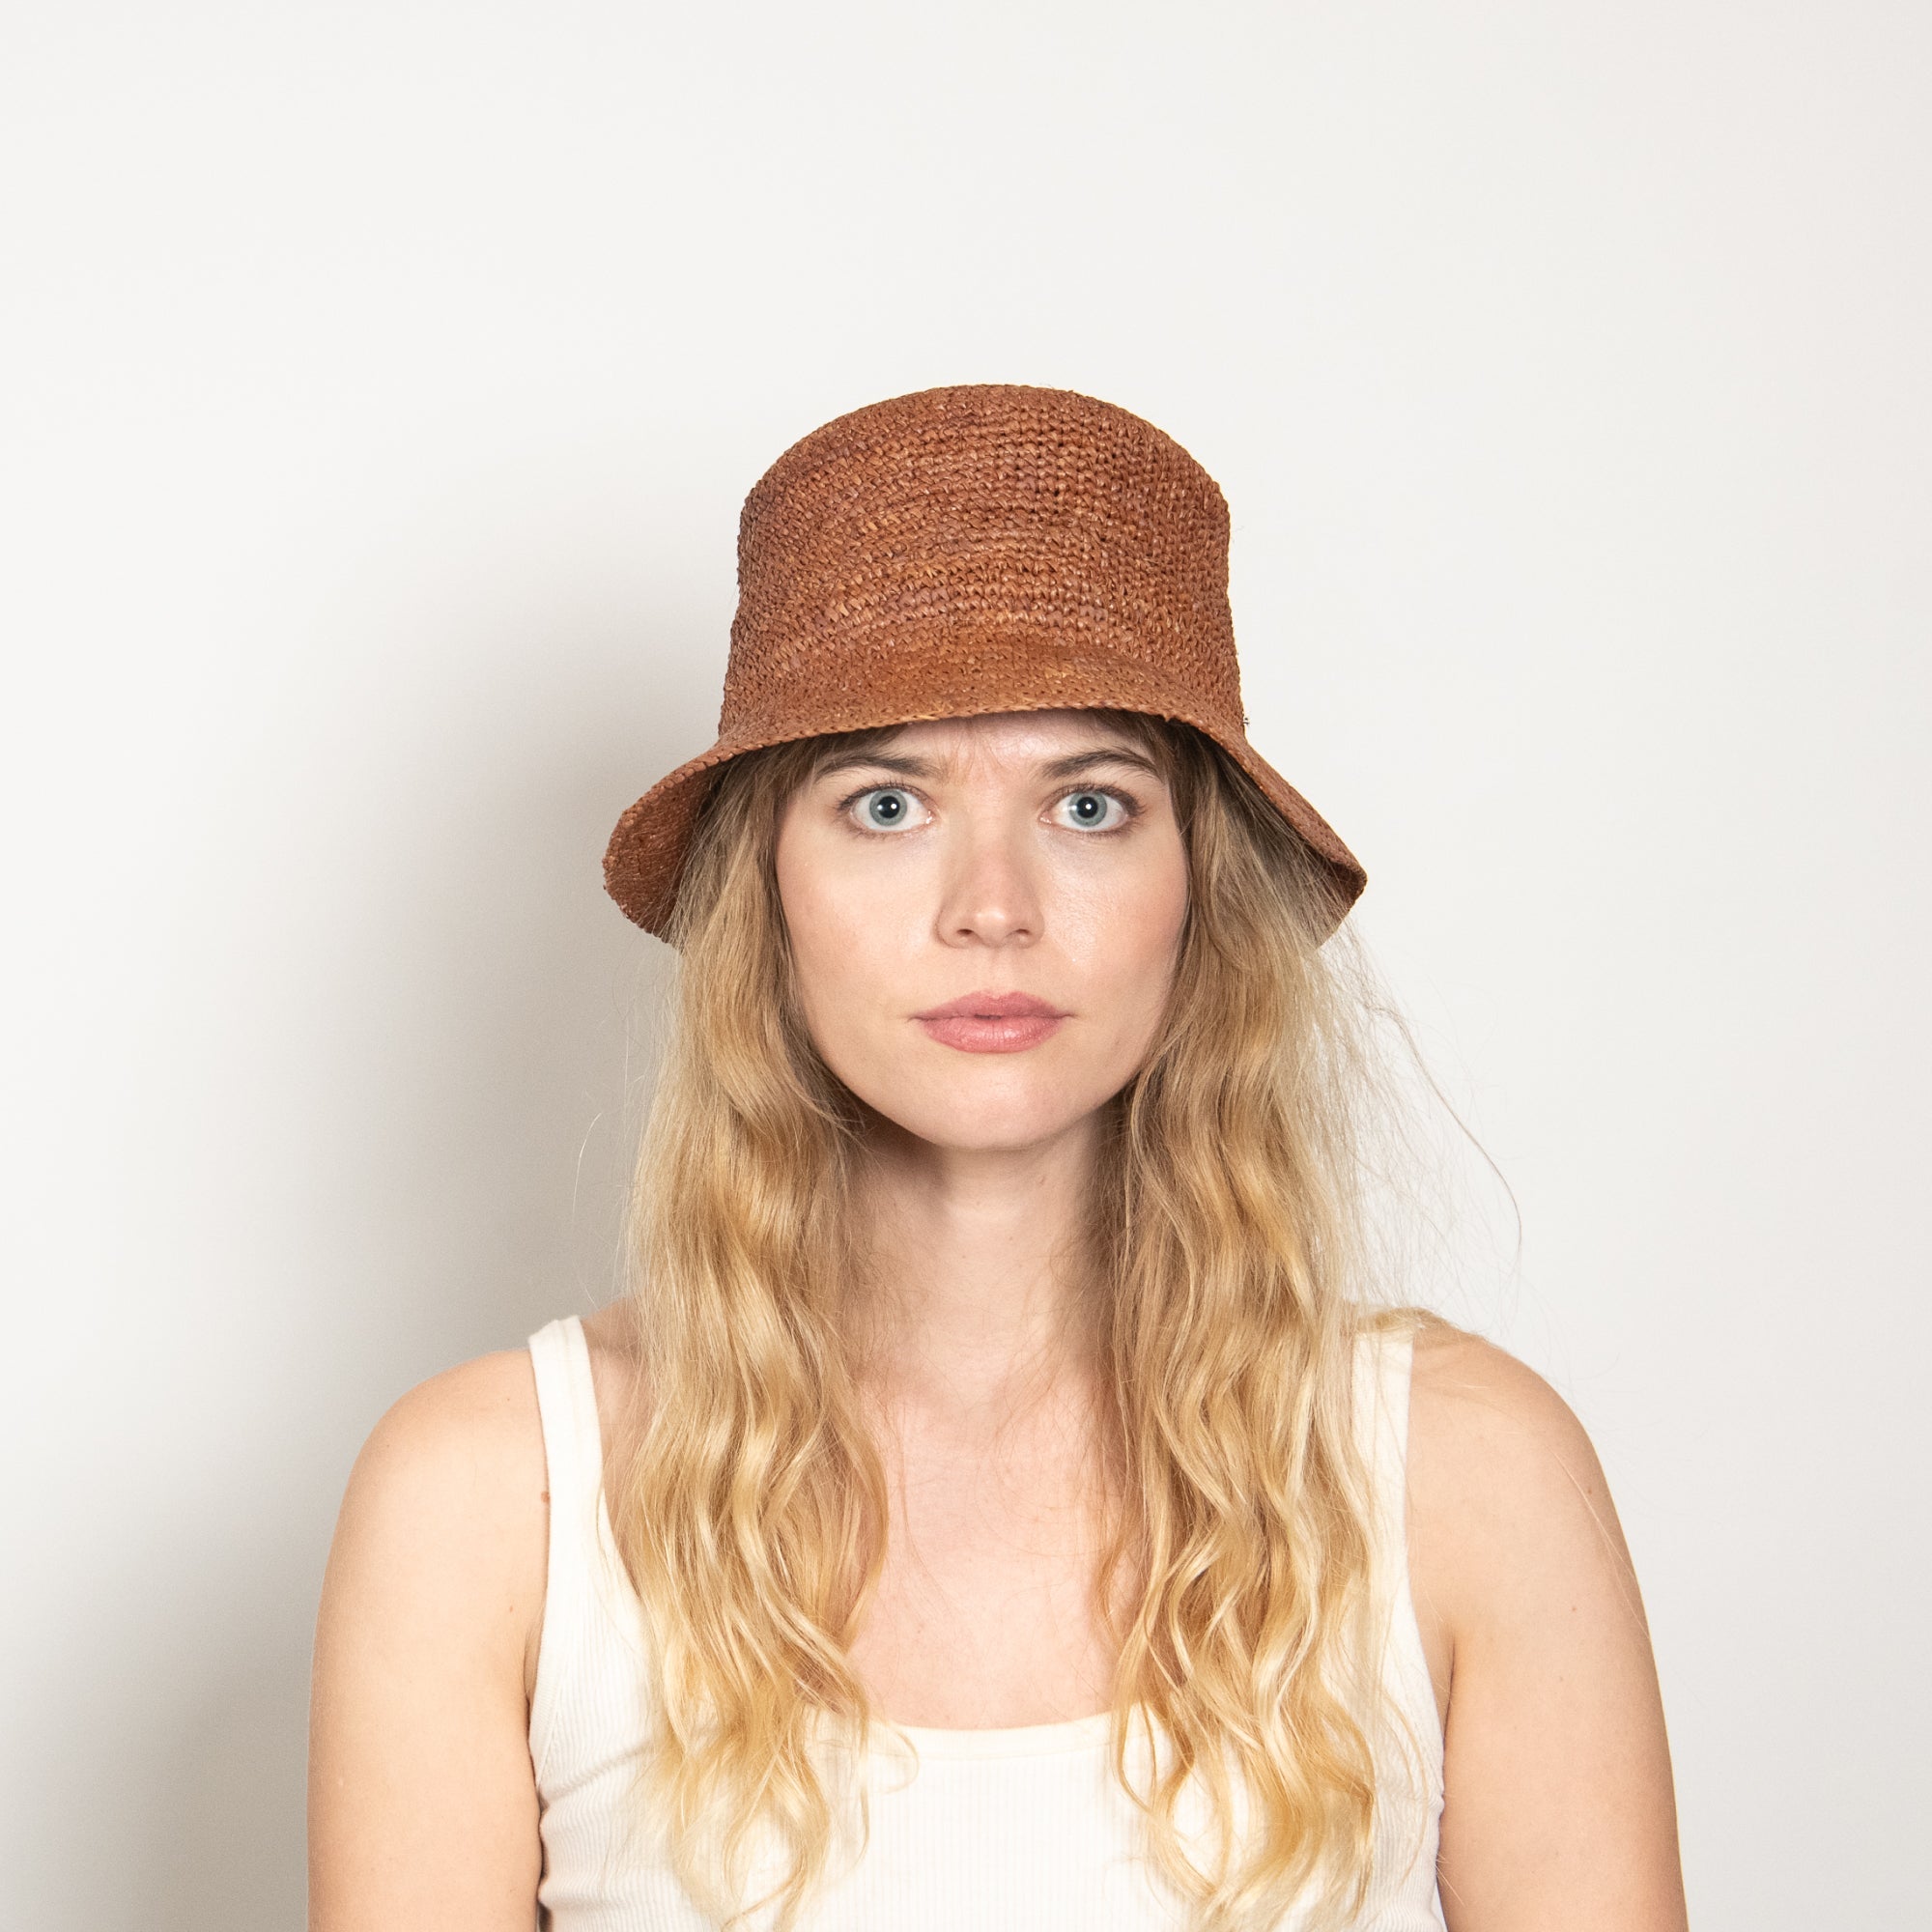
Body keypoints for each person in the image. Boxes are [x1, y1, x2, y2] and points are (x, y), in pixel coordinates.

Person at [307, 385, 1690, 1931]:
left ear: (1198, 891)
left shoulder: (1465, 1476)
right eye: (887, 804)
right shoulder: (492, 1503)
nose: (993, 907)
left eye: (1090, 805)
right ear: (766, 889)